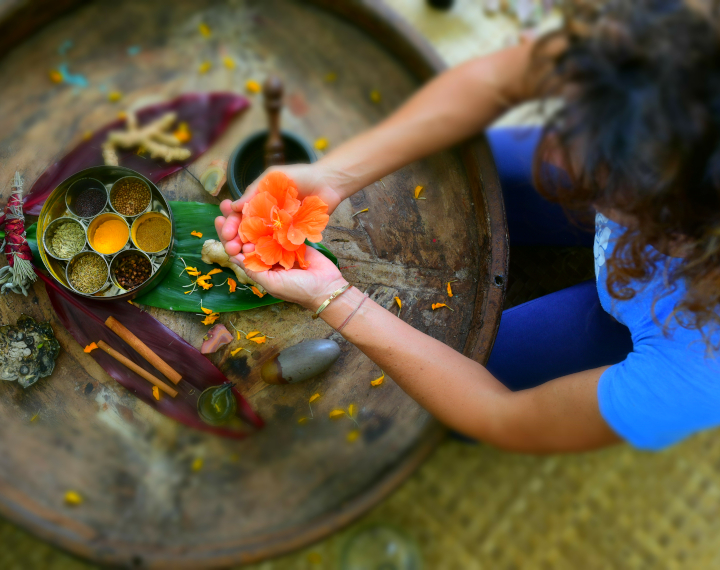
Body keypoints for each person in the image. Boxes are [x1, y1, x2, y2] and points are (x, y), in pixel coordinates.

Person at [215, 0, 720, 453]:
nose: (557, 136)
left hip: (667, 310)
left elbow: (505, 417)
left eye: (597, 163)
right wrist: (332, 177)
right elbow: (500, 80)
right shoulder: (675, 47)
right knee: (462, 170)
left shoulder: (699, 365)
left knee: (440, 408)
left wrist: (334, 297)